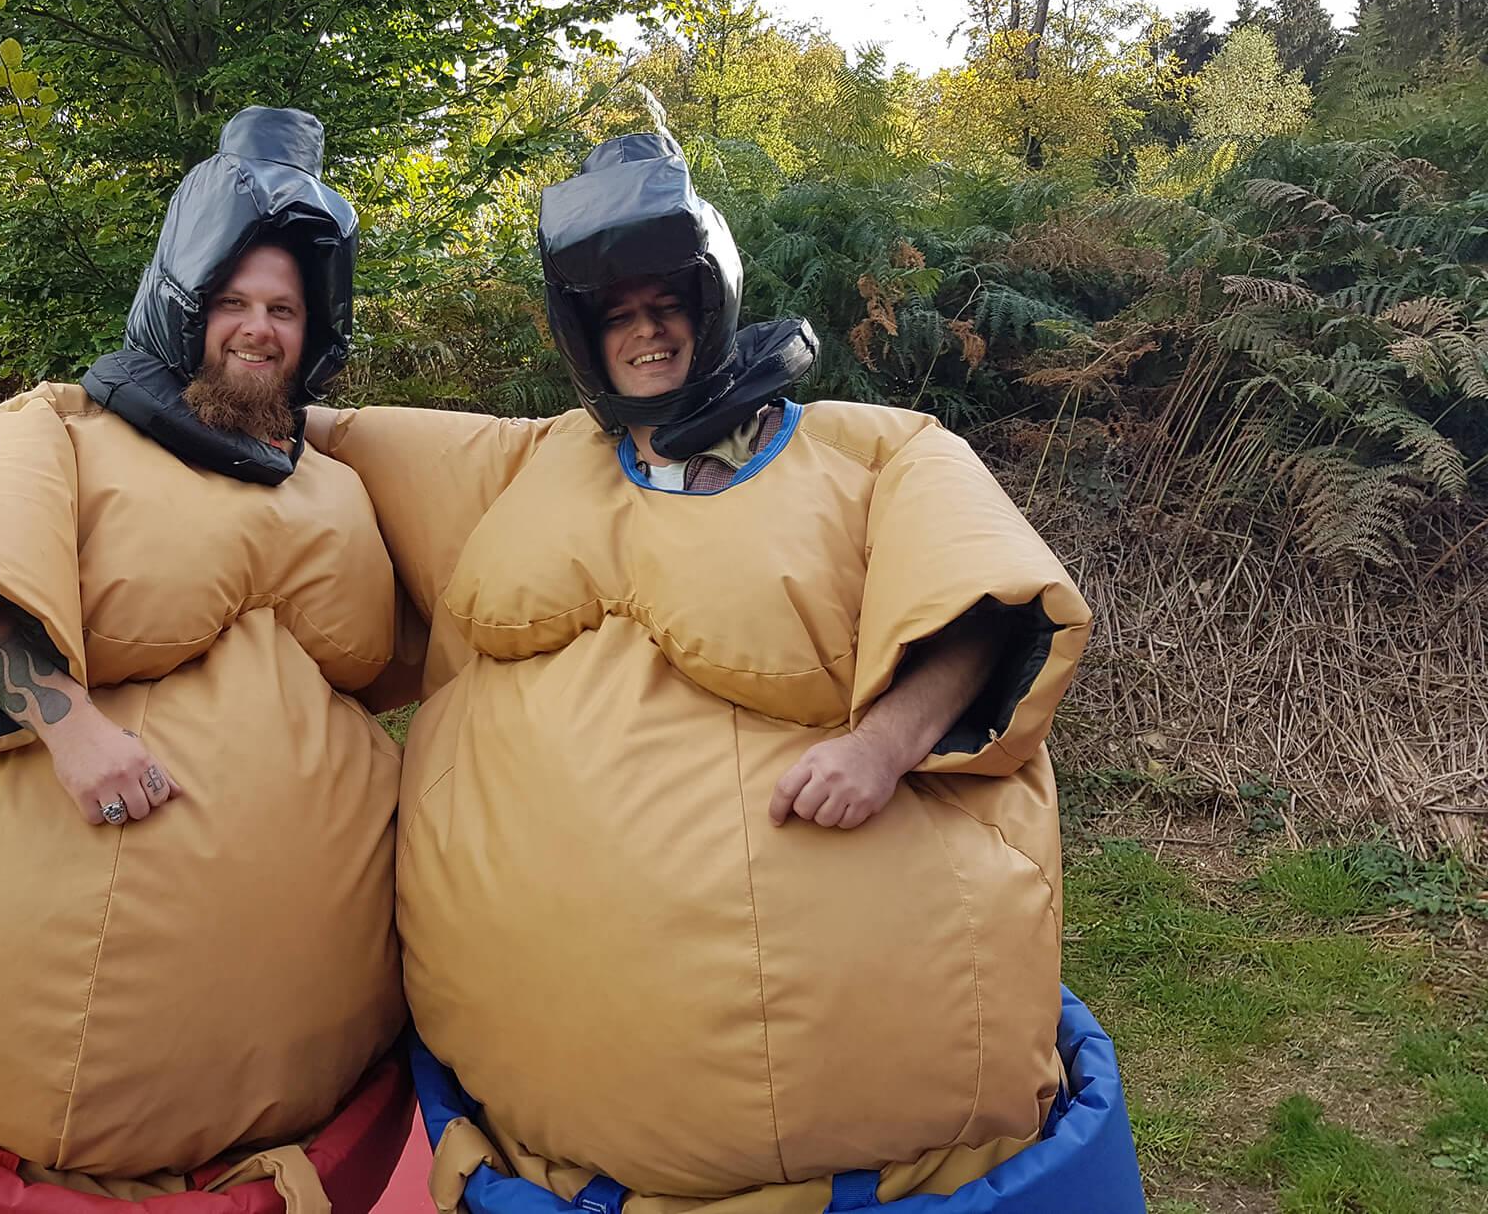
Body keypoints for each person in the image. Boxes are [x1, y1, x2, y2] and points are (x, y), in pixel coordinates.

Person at [306, 131, 1097, 1208]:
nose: (645, 330)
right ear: (587, 337)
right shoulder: (531, 463)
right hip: (558, 1094)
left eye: (663, 305)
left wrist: (879, 745)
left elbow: (984, 607)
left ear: (710, 301)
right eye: (618, 314)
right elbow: (322, 435)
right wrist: (168, 383)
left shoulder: (872, 450)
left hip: (856, 1048)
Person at [0, 107, 407, 1200]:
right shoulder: (60, 427)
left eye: (281, 308)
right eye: (231, 302)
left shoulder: (338, 480)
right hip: (17, 946)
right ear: (181, 303)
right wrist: (69, 728)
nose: (255, 329)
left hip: (288, 1044)